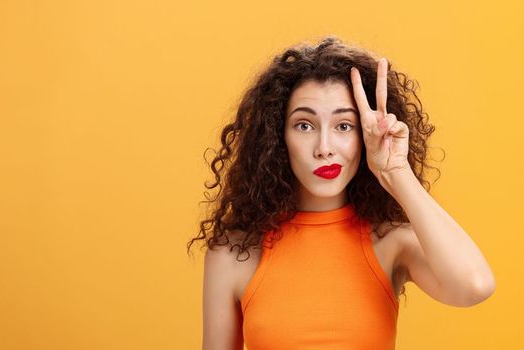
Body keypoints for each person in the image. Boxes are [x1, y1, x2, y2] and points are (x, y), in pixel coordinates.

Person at [188, 37, 495, 350]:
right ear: (277, 137)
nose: (324, 149)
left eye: (344, 126)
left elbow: (474, 286)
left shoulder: (390, 243)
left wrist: (395, 171)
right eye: (304, 125)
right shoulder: (233, 254)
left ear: (363, 135)